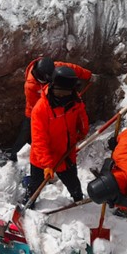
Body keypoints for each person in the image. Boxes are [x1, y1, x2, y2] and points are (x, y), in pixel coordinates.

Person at [9, 56, 96, 162]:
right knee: (29, 133)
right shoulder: (31, 85)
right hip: (35, 112)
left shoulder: (55, 67)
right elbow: (37, 107)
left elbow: (73, 69)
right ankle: (14, 156)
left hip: (56, 107)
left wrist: (89, 75)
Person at [25, 66, 89, 206]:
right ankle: (29, 202)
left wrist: (83, 131)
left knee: (73, 181)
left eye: (65, 93)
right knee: (36, 183)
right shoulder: (41, 109)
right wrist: (47, 164)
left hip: (65, 154)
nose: (61, 96)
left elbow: (81, 116)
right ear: (52, 86)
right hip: (42, 158)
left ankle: (78, 199)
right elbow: (38, 139)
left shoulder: (75, 101)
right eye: (58, 92)